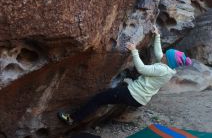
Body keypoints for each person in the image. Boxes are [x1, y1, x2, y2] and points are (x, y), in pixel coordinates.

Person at [57, 26, 192, 125]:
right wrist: (157, 36)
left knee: (98, 99)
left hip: (133, 94)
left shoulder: (161, 69)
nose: (163, 54)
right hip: (139, 97)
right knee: (120, 86)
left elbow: (142, 68)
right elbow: (159, 54)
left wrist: (134, 51)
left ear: (168, 60)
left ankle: (72, 118)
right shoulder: (168, 68)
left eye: (166, 55)